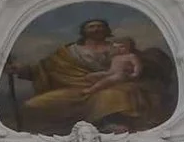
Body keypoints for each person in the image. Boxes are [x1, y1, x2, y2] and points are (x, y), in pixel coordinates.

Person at [11, 19, 171, 134]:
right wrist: (21, 70)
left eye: (100, 26)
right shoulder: (68, 52)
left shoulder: (119, 48)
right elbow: (43, 70)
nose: (96, 29)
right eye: (91, 26)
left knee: (113, 95)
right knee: (33, 106)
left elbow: (141, 66)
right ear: (84, 31)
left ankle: (110, 123)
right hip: (76, 89)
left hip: (115, 86)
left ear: (107, 30)